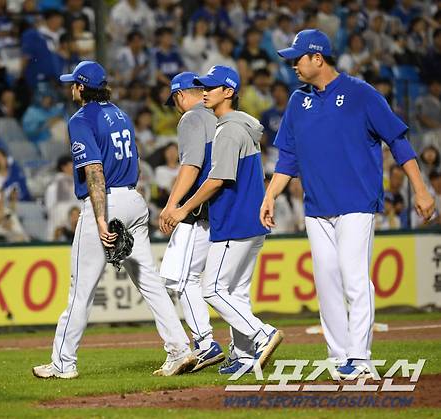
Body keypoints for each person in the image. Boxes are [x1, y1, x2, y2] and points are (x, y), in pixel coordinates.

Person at [261, 29, 435, 379]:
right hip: (316, 208)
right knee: (326, 283)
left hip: (357, 203)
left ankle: (360, 356)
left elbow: (398, 142)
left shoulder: (361, 94)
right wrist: (270, 194)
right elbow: (288, 158)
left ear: (318, 58)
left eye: (298, 58)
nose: (292, 65)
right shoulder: (298, 101)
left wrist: (421, 189)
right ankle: (339, 357)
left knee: (355, 280)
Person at [32, 60, 196, 379]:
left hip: (107, 201)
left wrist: (101, 217)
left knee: (81, 288)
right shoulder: (120, 114)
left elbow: (94, 170)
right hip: (134, 198)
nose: (71, 88)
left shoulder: (81, 119)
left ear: (81, 87)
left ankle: (64, 363)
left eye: (73, 84)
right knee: (148, 279)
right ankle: (179, 348)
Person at [164, 65, 284, 375]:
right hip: (250, 221)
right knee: (236, 293)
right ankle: (244, 357)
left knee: (212, 290)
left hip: (234, 220)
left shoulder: (228, 129)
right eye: (202, 86)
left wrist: (180, 207)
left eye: (212, 87)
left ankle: (261, 334)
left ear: (228, 92)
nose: (205, 91)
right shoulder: (241, 125)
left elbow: (217, 179)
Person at [157, 72, 224, 372]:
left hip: (198, 213)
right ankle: (246, 345)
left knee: (181, 278)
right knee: (223, 284)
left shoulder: (192, 118)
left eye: (174, 101)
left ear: (181, 95)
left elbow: (191, 164)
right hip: (223, 210)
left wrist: (173, 205)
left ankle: (205, 343)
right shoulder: (221, 115)